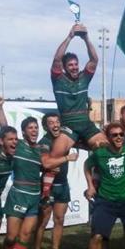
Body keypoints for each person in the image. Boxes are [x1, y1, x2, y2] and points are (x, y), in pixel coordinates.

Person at [0, 102, 77, 249]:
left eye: (35, 128)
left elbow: (47, 165)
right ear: (23, 132)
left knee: (25, 235)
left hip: (34, 197)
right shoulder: (18, 146)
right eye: (29, 128)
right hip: (17, 195)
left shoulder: (42, 148)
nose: (33, 131)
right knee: (10, 237)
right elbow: (4, 128)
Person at [49, 24, 108, 160]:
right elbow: (57, 59)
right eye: (70, 65)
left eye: (76, 64)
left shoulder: (84, 78)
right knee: (55, 155)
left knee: (106, 149)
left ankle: (95, 179)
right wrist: (70, 37)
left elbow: (94, 60)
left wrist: (86, 38)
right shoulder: (58, 79)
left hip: (86, 125)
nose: (74, 67)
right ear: (64, 67)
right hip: (69, 126)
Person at [32, 113, 73, 249]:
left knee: (59, 220)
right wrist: (63, 160)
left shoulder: (65, 138)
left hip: (62, 184)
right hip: (48, 186)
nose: (55, 125)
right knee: (42, 222)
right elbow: (46, 164)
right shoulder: (44, 142)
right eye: (51, 123)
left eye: (57, 122)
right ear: (45, 126)